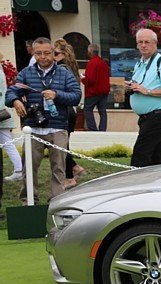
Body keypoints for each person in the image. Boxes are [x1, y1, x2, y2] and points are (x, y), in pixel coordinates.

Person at [6, 37, 81, 203]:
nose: (43, 57)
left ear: (53, 54)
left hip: (58, 127)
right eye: (38, 53)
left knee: (59, 168)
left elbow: (76, 96)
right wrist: (15, 100)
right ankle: (29, 201)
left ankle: (56, 201)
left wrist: (57, 94)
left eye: (47, 53)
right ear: (34, 53)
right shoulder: (26, 73)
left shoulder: (64, 73)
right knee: (29, 168)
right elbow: (10, 92)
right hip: (33, 129)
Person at [127, 29, 161, 167]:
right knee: (158, 155)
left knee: (140, 154)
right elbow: (140, 85)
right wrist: (132, 87)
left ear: (155, 44)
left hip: (157, 116)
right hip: (146, 117)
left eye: (147, 42)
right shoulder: (139, 63)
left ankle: (137, 182)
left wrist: (148, 91)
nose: (143, 45)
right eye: (140, 42)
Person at [54, 39, 85, 188]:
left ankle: (69, 177)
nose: (51, 56)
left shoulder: (62, 69)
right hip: (69, 111)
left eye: (55, 53)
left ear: (63, 54)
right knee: (63, 144)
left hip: (65, 111)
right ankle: (74, 168)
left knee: (61, 145)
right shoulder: (71, 67)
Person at [1, 54, 22, 183]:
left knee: (8, 144)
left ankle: (19, 170)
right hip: (3, 112)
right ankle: (19, 169)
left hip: (1, 114)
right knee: (8, 143)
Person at [81, 43, 110, 131]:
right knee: (102, 111)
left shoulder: (92, 63)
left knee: (87, 109)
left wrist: (83, 78)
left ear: (89, 53)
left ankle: (93, 129)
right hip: (104, 91)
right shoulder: (103, 63)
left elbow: (90, 79)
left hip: (93, 91)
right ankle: (102, 129)